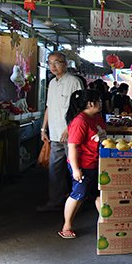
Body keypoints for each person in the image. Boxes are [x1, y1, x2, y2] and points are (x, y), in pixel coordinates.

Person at [40, 51, 85, 212]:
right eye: (50, 62)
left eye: (57, 62)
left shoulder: (74, 81)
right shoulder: (52, 83)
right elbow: (49, 107)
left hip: (71, 135)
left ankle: (77, 201)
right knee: (55, 169)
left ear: (65, 64)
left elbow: (80, 108)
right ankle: (55, 200)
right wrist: (43, 128)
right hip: (54, 135)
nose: (53, 66)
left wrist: (69, 128)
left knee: (75, 169)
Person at [59, 89, 106, 238]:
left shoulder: (96, 117)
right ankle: (66, 226)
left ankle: (106, 223)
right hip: (83, 165)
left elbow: (103, 131)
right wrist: (75, 169)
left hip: (96, 162)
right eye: (99, 100)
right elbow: (72, 146)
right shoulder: (80, 121)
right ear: (90, 103)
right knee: (78, 195)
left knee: (99, 194)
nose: (101, 103)